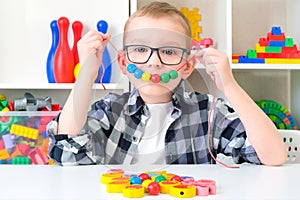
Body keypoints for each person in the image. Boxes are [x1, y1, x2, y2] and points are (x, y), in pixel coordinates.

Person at [47, 1, 286, 166]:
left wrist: (230, 87)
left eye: (169, 51)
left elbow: (273, 156)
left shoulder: (209, 113)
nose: (154, 62)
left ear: (187, 66)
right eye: (140, 49)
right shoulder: (109, 111)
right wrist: (86, 75)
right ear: (123, 62)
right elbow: (66, 153)